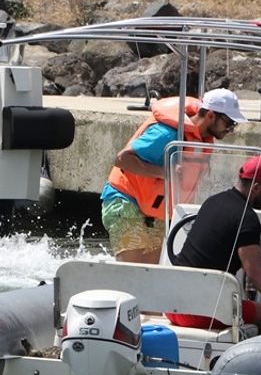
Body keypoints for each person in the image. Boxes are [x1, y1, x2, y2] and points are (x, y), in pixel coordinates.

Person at [101, 88, 246, 263]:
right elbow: (122, 159)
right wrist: (166, 172)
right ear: (210, 115)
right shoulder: (167, 134)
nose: (231, 129)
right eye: (229, 122)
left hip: (155, 211)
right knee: (132, 271)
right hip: (125, 201)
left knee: (152, 272)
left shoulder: (201, 141)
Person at [167, 155, 261, 332]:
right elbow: (255, 273)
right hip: (201, 311)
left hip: (172, 305)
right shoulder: (247, 218)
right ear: (257, 187)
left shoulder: (212, 201)